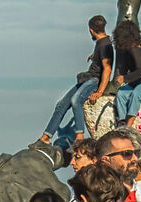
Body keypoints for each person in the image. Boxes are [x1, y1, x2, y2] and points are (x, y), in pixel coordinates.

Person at [43, 15, 114, 153]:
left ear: (91, 30)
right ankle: (45, 137)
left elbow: (107, 68)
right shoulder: (101, 43)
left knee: (76, 101)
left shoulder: (105, 45)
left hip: (94, 80)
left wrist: (99, 91)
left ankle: (79, 137)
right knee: (62, 104)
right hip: (88, 78)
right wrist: (94, 56)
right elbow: (103, 56)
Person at [109, 20, 141, 119]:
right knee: (121, 94)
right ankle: (122, 121)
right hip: (136, 82)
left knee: (136, 93)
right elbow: (124, 68)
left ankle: (129, 124)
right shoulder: (126, 49)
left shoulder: (135, 48)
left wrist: (125, 78)